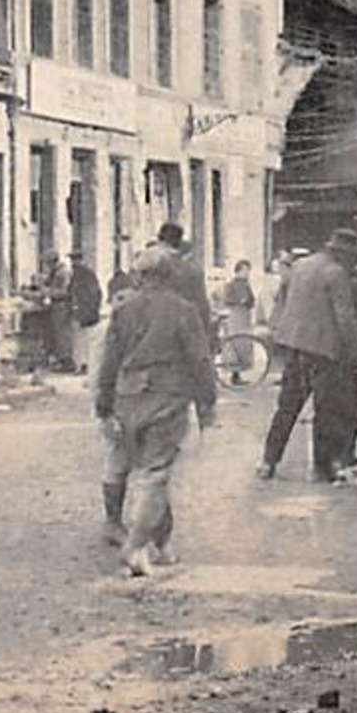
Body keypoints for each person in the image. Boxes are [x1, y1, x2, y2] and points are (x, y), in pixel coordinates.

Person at [95, 246, 217, 576]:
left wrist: (103, 407)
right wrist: (207, 402)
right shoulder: (183, 310)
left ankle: (161, 544)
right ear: (170, 276)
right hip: (168, 397)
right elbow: (200, 360)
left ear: (139, 276)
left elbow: (109, 362)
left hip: (127, 396)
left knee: (127, 464)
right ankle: (134, 547)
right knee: (155, 471)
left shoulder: (123, 309)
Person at [258, 229, 357, 482]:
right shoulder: (336, 273)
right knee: (325, 409)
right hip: (323, 349)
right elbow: (345, 318)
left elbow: (282, 301)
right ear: (343, 254)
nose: (356, 264)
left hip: (295, 346)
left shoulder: (300, 266)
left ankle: (268, 461)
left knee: (287, 406)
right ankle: (321, 467)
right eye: (354, 258)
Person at [154, 222, 215, 337]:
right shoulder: (193, 267)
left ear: (163, 243)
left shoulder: (160, 267)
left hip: (165, 329)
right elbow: (202, 302)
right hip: (189, 327)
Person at [218, 259, 257, 386]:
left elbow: (252, 300)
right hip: (235, 316)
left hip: (244, 317)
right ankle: (234, 373)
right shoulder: (231, 284)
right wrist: (239, 301)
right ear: (238, 271)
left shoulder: (246, 285)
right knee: (234, 343)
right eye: (245, 270)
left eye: (248, 271)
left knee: (243, 344)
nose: (247, 273)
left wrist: (247, 302)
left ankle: (238, 373)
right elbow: (227, 299)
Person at [36, 251, 75, 372]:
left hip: (62, 305)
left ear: (53, 261)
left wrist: (46, 291)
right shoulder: (55, 272)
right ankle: (59, 360)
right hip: (55, 306)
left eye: (47, 263)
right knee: (55, 335)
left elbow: (65, 292)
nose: (46, 267)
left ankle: (67, 362)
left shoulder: (63, 272)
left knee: (62, 335)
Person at [67, 251, 103, 375]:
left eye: (75, 260)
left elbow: (95, 293)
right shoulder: (76, 275)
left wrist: (91, 309)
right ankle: (81, 364)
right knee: (80, 340)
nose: (73, 263)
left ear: (81, 260)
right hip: (79, 311)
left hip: (85, 312)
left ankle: (85, 365)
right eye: (72, 260)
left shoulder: (87, 274)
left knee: (84, 340)